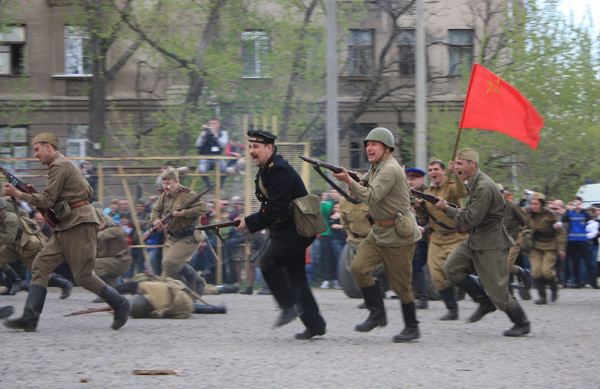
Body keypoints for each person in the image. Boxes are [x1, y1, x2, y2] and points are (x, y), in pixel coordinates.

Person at [2, 132, 129, 331]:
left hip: (79, 224)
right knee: (41, 265)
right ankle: (30, 318)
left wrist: (17, 194)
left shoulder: (60, 166)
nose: (35, 155)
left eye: (36, 149)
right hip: (68, 224)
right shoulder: (60, 166)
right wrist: (31, 193)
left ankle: (121, 304)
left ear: (48, 147)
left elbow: (48, 201)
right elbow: (60, 196)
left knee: (83, 277)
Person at [235, 130, 326, 340]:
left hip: (297, 230)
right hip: (286, 229)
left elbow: (276, 208)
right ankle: (316, 325)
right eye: (250, 147)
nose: (251, 152)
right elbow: (273, 208)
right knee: (297, 278)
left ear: (269, 148)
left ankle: (288, 306)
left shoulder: (279, 170)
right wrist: (250, 221)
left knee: (267, 262)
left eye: (256, 147)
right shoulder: (268, 170)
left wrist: (249, 223)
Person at [333, 127, 422, 343]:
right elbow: (365, 183)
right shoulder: (376, 168)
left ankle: (412, 327)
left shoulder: (390, 169)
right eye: (367, 144)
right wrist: (354, 180)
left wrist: (349, 181)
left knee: (401, 285)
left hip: (398, 234)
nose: (369, 148)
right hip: (379, 230)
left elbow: (371, 195)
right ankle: (377, 313)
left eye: (374, 144)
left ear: (387, 148)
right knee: (358, 267)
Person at [433, 148, 530, 337]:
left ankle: (522, 323)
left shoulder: (484, 186)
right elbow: (470, 208)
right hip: (476, 239)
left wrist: (446, 208)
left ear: (473, 165)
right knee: (451, 268)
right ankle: (483, 302)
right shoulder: (474, 182)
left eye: (461, 164)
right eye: (456, 164)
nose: (457, 167)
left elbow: (470, 219)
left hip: (491, 243)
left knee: (499, 294)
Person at [414, 158, 468, 321]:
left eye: (436, 169)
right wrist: (418, 208)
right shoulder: (428, 192)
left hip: (455, 236)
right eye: (430, 170)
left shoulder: (451, 187)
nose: (433, 172)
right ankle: (452, 309)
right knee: (437, 276)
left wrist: (457, 173)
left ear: (444, 171)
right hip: (437, 238)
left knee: (453, 271)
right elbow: (425, 217)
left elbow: (463, 193)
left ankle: (480, 295)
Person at [149, 167, 208, 294]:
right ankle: (188, 292)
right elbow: (155, 211)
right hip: (174, 237)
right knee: (170, 271)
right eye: (164, 183)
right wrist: (156, 221)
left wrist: (184, 213)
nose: (165, 186)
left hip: (189, 236)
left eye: (168, 183)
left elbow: (203, 208)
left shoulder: (187, 194)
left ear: (176, 181)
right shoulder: (164, 197)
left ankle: (196, 280)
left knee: (169, 262)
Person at [0, 198, 73, 298]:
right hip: (13, 245)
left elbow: (10, 235)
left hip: (26, 245)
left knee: (38, 272)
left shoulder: (8, 212)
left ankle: (64, 284)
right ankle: (15, 282)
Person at [521, 192, 566, 304]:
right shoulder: (529, 215)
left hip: (550, 246)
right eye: (531, 204)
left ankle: (554, 288)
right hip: (535, 246)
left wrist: (561, 248)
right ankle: (542, 297)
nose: (533, 206)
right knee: (536, 272)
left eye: (535, 204)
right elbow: (524, 228)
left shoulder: (550, 215)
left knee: (546, 271)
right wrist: (522, 238)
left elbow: (560, 232)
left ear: (541, 204)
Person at [498, 183, 531, 300]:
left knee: (506, 266)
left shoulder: (512, 205)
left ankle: (523, 274)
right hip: (500, 240)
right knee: (502, 267)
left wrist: (522, 235)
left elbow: (525, 221)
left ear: (503, 194)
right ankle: (510, 293)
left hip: (514, 238)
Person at [405, 167, 429, 310]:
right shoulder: (406, 193)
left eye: (413, 179)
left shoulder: (428, 194)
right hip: (412, 235)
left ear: (421, 180)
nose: (410, 182)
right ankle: (419, 296)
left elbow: (436, 217)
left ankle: (422, 297)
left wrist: (425, 228)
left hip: (430, 235)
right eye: (408, 179)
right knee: (414, 265)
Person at [93, 206, 133, 287]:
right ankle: (130, 287)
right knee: (114, 289)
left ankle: (105, 291)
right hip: (111, 261)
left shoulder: (113, 229)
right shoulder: (101, 230)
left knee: (93, 264)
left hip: (121, 261)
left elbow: (101, 236)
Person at [562, 197, 597, 288]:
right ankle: (577, 283)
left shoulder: (584, 213)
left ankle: (594, 283)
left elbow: (590, 218)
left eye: (578, 203)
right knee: (575, 263)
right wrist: (568, 209)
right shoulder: (570, 213)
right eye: (575, 203)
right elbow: (563, 219)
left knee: (588, 262)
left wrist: (582, 209)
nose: (576, 205)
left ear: (581, 204)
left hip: (583, 241)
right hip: (572, 241)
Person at [195, 119, 229, 187]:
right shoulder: (205, 132)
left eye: (215, 123)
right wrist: (203, 135)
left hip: (218, 158)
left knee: (225, 169)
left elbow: (223, 144)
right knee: (202, 170)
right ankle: (209, 185)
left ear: (219, 124)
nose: (213, 125)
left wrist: (216, 136)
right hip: (205, 158)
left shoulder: (223, 133)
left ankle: (219, 186)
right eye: (211, 123)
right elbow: (198, 144)